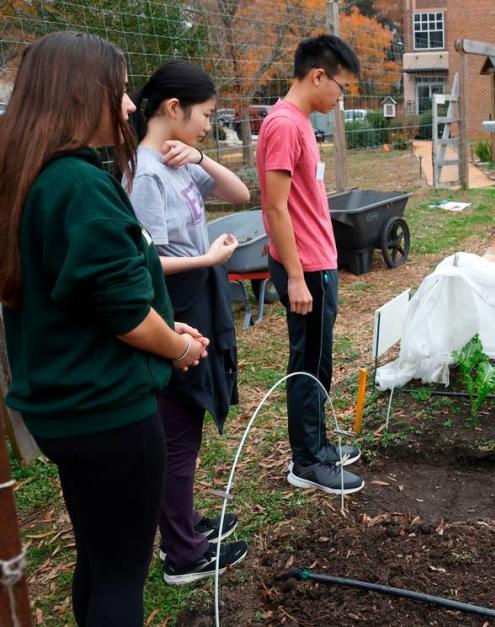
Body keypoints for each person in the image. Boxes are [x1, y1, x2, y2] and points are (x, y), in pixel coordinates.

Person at [0, 32, 208, 625]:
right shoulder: (81, 186)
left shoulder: (31, 177)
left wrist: (162, 322)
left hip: (66, 409)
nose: (126, 106)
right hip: (108, 412)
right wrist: (178, 345)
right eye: (117, 91)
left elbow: (90, 296)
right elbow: (123, 316)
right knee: (121, 578)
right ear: (78, 93)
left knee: (98, 560)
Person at [128, 60, 250, 585]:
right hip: (173, 307)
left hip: (197, 298)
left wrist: (200, 155)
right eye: (204, 116)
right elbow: (144, 260)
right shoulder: (144, 174)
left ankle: (187, 524)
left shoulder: (177, 162)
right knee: (176, 433)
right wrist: (206, 260)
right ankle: (181, 552)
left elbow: (241, 194)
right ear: (174, 108)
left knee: (188, 428)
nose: (206, 124)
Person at [257, 35, 364, 493]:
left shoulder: (297, 123)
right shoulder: (284, 125)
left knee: (318, 361)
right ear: (318, 75)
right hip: (307, 270)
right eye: (341, 87)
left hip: (316, 263)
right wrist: (297, 278)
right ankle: (308, 462)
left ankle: (318, 444)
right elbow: (276, 208)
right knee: (307, 362)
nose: (341, 99)